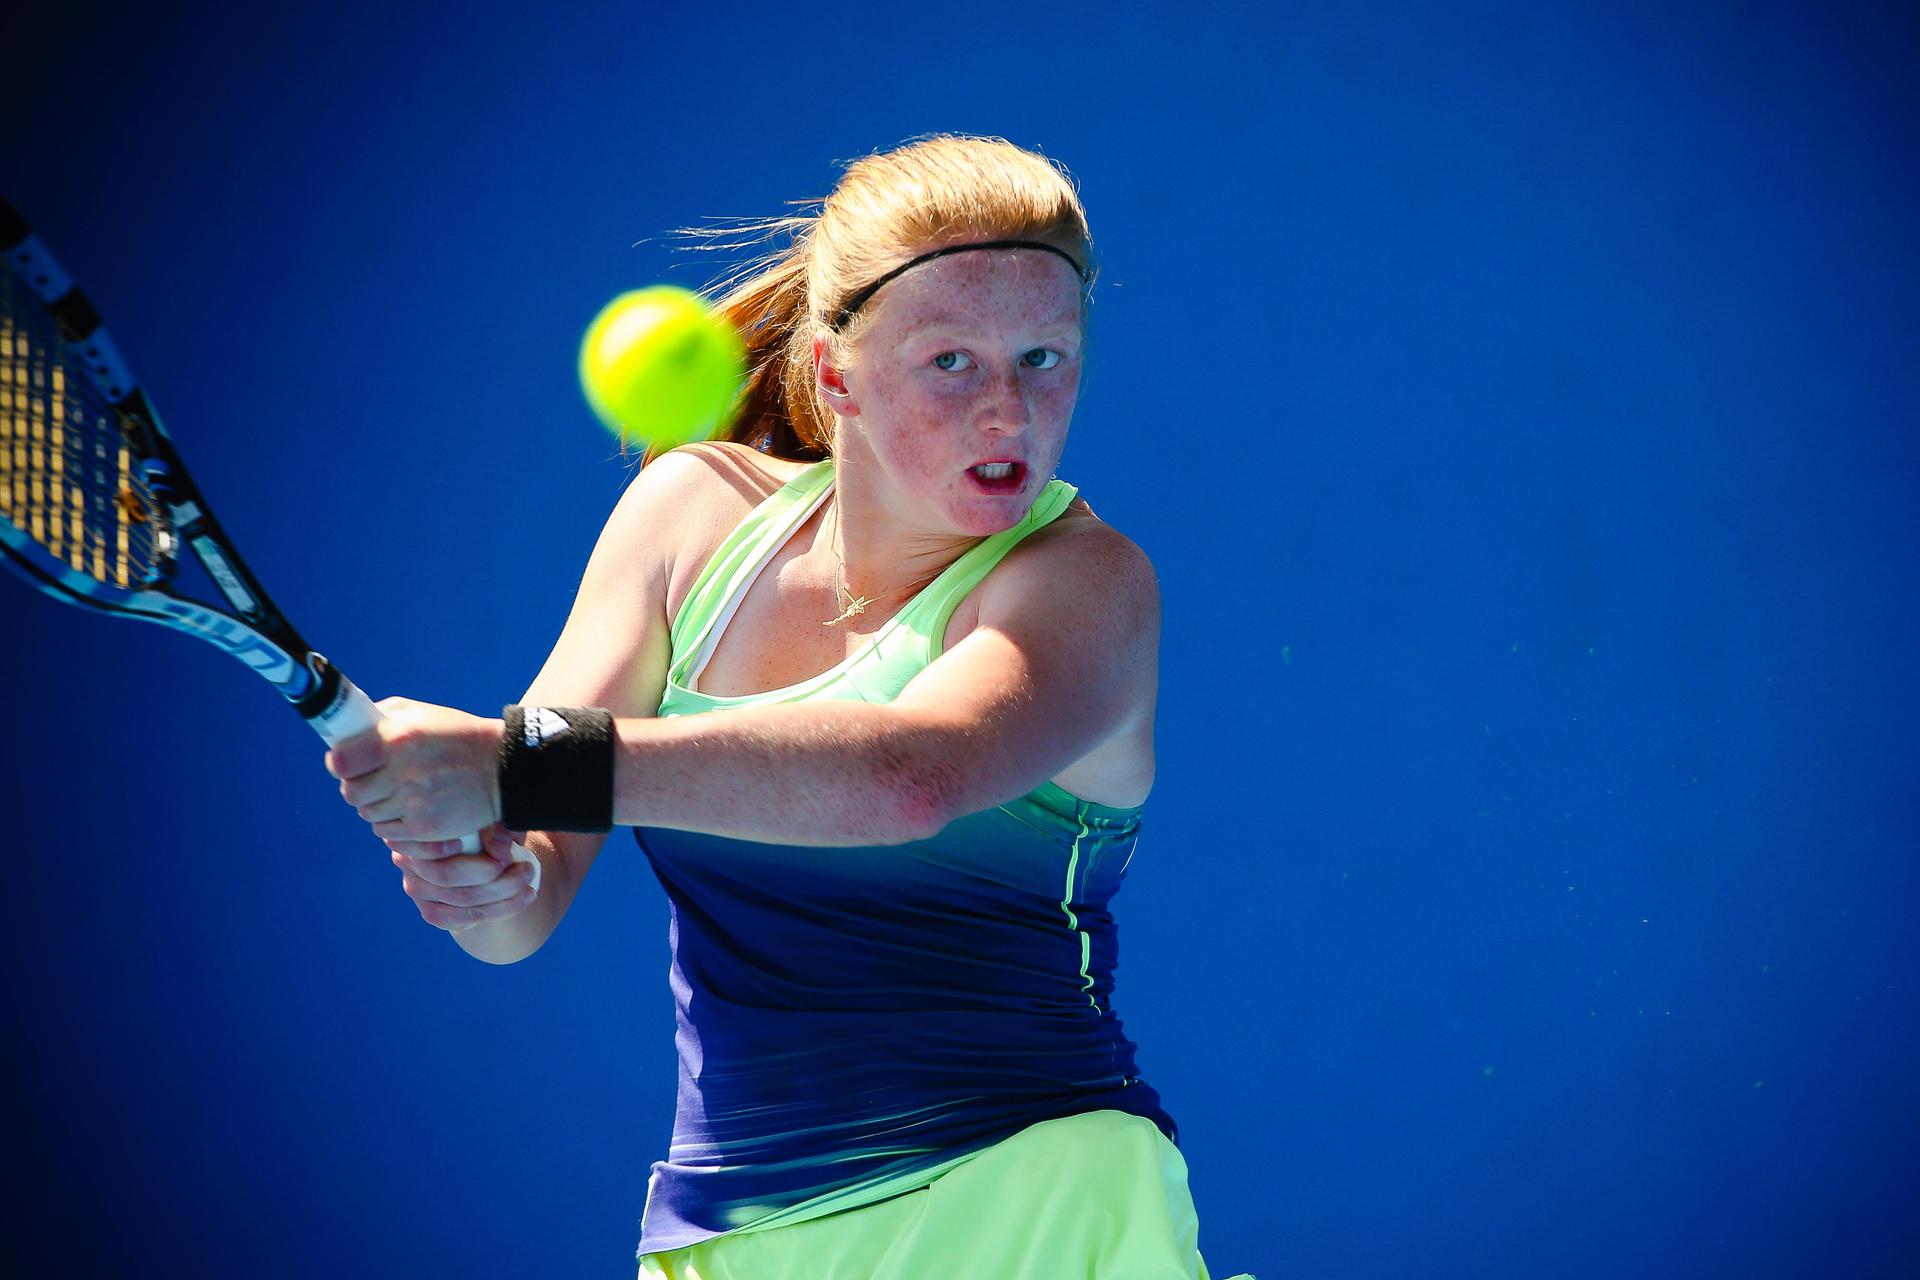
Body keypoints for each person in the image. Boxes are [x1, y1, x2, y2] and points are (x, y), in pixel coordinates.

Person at [323, 134, 1250, 1279]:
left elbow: (912, 773)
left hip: (1032, 1196)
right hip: (733, 1236)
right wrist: (478, 867)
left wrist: (509, 762)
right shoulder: (687, 519)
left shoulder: (1087, 583)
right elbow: (518, 909)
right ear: (834, 371)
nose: (1009, 409)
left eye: (1044, 356)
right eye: (952, 361)